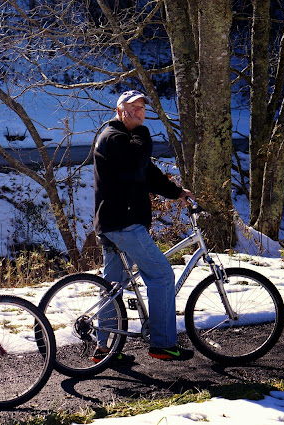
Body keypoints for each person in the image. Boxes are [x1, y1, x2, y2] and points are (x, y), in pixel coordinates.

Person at [92, 90, 194, 363]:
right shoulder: (113, 138)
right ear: (119, 110)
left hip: (115, 223)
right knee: (161, 276)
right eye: (133, 108)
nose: (139, 112)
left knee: (113, 285)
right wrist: (144, 132)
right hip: (124, 225)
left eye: (142, 108)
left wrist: (176, 192)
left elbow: (145, 172)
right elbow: (139, 160)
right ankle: (162, 344)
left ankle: (105, 349)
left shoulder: (124, 140)